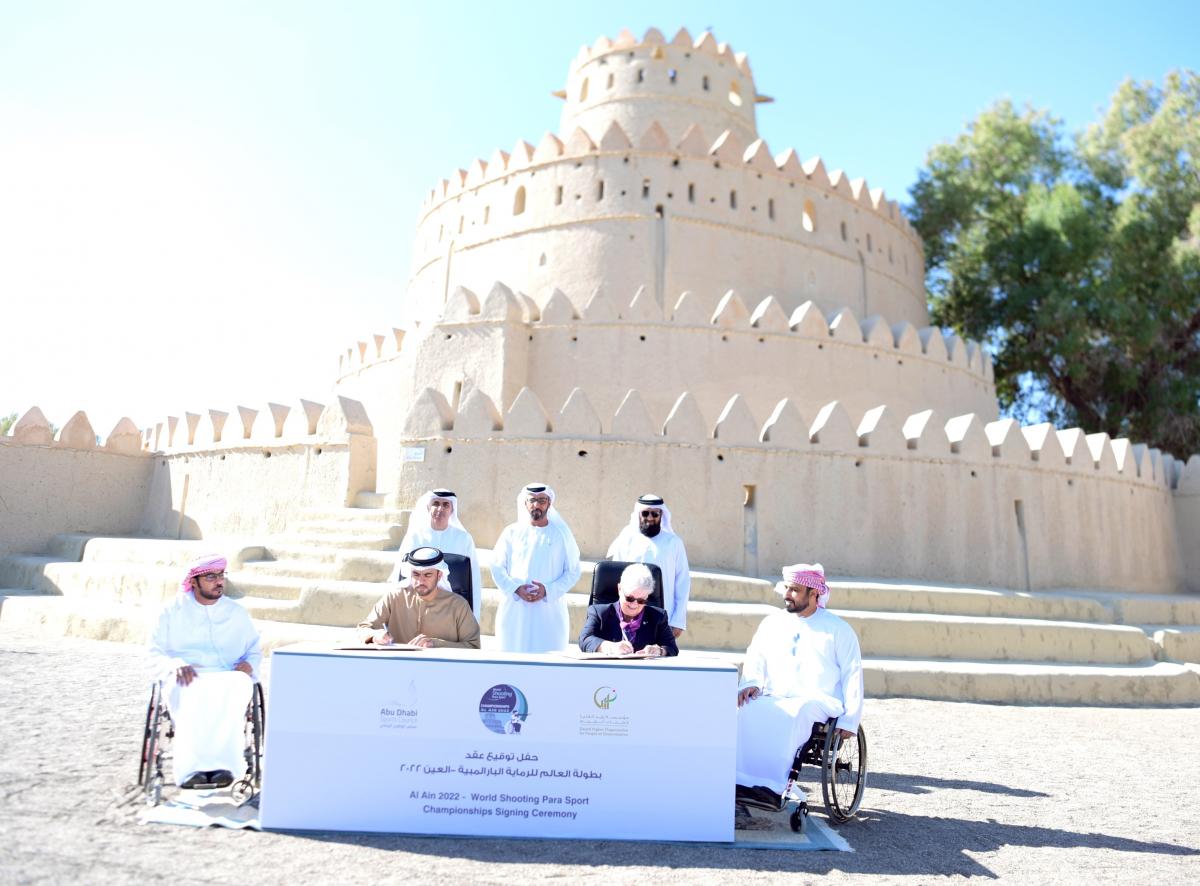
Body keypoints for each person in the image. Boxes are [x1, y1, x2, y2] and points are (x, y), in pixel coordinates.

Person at [734, 563, 864, 811]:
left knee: (795, 713)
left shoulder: (839, 630)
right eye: (786, 588)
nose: (787, 595)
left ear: (814, 593)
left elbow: (852, 674)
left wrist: (850, 720)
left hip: (819, 700)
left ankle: (774, 787)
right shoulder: (772, 623)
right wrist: (751, 683)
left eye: (794, 590)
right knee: (746, 710)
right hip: (776, 694)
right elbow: (756, 657)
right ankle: (743, 783)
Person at [148, 554, 262, 789]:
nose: (218, 581)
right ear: (194, 581)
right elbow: (154, 652)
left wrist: (249, 665)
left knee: (240, 684)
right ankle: (192, 771)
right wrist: (174, 664)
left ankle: (227, 767)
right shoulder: (171, 611)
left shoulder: (237, 613)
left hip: (227, 675)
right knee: (190, 689)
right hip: (186, 675)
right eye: (211, 576)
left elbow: (254, 650)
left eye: (221, 576)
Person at [490, 482, 582, 652]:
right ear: (525, 503)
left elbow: (573, 571)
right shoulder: (511, 532)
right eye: (532, 500)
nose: (536, 505)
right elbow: (497, 566)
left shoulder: (562, 535)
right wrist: (515, 588)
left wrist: (547, 590)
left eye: (542, 500)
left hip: (549, 611)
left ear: (549, 503)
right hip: (516, 609)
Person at [390, 488, 482, 624]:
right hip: (418, 606)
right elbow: (401, 575)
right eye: (436, 503)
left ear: (452, 510)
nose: (440, 509)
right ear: (428, 507)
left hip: (451, 608)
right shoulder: (415, 537)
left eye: (446, 505)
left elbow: (472, 578)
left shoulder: (463, 539)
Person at [605, 493, 691, 638]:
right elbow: (616, 579)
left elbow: (682, 583)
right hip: (628, 615)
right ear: (639, 514)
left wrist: (678, 621)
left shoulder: (674, 543)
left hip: (663, 616)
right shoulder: (626, 539)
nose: (650, 517)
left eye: (654, 514)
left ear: (661, 515)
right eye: (645, 513)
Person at [360, 547, 481, 648]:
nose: (420, 580)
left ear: (439, 575)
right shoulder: (394, 597)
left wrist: (436, 644)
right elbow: (363, 628)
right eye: (416, 574)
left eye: (428, 575)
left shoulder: (458, 605)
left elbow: (473, 646)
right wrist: (375, 636)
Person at [578, 563, 678, 657]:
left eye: (641, 600)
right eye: (629, 598)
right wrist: (610, 647)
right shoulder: (599, 613)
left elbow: (672, 648)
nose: (634, 605)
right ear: (619, 589)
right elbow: (585, 639)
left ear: (647, 596)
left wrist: (659, 651)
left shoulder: (658, 617)